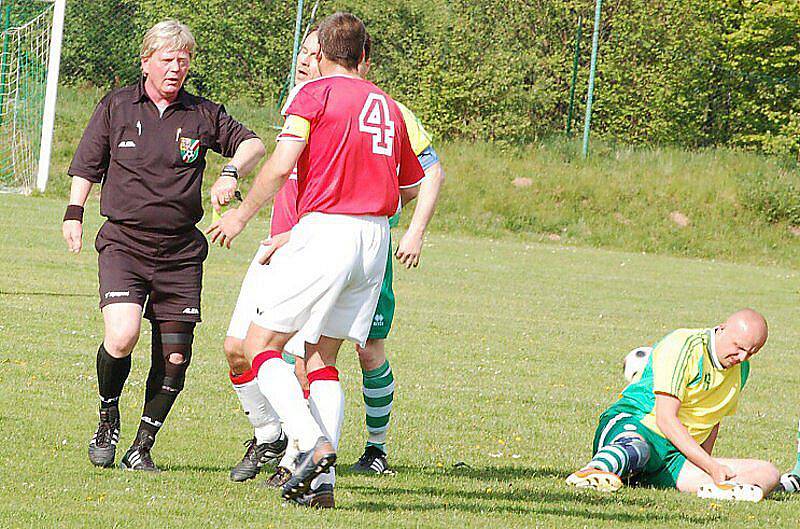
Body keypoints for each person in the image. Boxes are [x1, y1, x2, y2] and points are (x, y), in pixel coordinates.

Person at [207, 12, 424, 506]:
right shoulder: (388, 107)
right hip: (374, 241)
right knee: (322, 359)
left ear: (322, 55)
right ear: (365, 57)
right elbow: (410, 184)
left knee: (260, 345)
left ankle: (309, 441)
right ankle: (321, 488)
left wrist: (241, 215)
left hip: (326, 230)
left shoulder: (314, 93)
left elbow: (282, 165)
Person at [62, 19, 265, 471]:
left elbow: (254, 144)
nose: (176, 68)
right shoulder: (117, 106)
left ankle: (141, 447)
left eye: (184, 60)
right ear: (147, 61)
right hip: (124, 244)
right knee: (122, 334)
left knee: (174, 356)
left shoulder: (203, 113)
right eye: (168, 59)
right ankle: (107, 416)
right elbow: (86, 165)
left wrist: (231, 171)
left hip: (180, 254)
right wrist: (74, 212)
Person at [222, 29, 322, 485]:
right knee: (235, 349)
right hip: (274, 245)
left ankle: (297, 457)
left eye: (316, 54)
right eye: (302, 51)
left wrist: (292, 231)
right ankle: (269, 435)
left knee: (299, 361)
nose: (305, 60)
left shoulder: (331, 113)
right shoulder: (297, 105)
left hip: (309, 251)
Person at [566, 309, 780, 501]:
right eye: (739, 347)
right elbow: (665, 419)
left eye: (752, 352)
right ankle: (594, 471)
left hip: (676, 457)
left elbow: (713, 420)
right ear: (722, 328)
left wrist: (706, 467)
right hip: (638, 426)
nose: (742, 357)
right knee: (636, 448)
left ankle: (724, 492)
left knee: (767, 472)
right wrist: (710, 466)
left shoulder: (741, 370)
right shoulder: (684, 345)